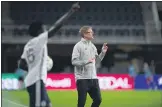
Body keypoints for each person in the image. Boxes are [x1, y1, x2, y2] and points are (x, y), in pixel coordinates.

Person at [18, 2, 80, 107]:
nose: (45, 30)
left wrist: (34, 67)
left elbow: (21, 64)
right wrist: (70, 12)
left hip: (32, 80)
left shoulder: (28, 45)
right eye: (44, 28)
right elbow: (56, 27)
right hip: (36, 80)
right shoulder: (39, 39)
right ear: (39, 31)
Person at [71, 26, 108, 107]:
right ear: (85, 34)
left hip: (93, 78)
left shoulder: (92, 46)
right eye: (90, 32)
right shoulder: (78, 46)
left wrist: (103, 53)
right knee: (81, 103)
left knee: (98, 100)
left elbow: (96, 61)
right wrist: (87, 61)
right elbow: (74, 61)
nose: (92, 33)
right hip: (82, 79)